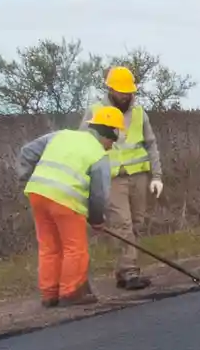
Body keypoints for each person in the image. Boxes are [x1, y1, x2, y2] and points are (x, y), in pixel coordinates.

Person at [17, 106, 122, 308]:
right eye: (113, 140)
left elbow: (27, 152)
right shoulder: (98, 155)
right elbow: (99, 194)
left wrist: (29, 177)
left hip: (38, 193)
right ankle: (71, 292)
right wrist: (97, 219)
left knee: (49, 247)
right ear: (108, 134)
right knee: (75, 248)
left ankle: (49, 294)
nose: (112, 146)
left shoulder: (61, 135)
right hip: (66, 201)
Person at [83, 67, 165, 290]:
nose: (125, 96)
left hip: (139, 176)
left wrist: (157, 176)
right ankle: (130, 271)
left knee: (137, 223)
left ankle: (123, 270)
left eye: (128, 92)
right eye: (121, 92)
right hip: (111, 178)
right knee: (122, 223)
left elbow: (151, 144)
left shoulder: (139, 113)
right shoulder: (95, 111)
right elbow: (84, 145)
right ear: (110, 89)